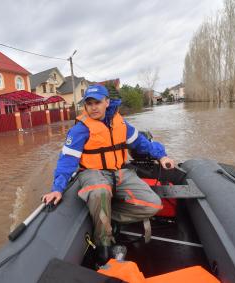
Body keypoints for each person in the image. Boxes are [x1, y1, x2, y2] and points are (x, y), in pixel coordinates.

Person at [42, 84, 175, 265]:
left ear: (107, 102)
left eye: (97, 102)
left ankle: (104, 216)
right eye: (89, 104)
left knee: (153, 205)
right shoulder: (80, 129)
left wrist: (161, 155)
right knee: (99, 192)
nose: (93, 107)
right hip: (92, 173)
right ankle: (104, 244)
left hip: (120, 172)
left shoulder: (121, 123)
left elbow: (142, 143)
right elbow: (66, 162)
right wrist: (57, 188)